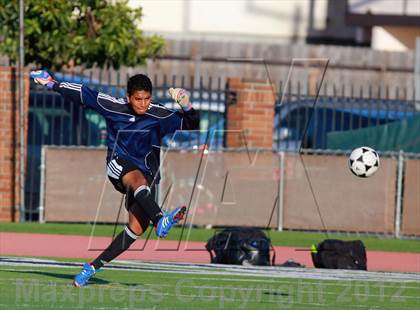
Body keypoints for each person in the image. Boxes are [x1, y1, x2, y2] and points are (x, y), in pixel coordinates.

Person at [30, 70, 200, 287]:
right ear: (128, 97)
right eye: (138, 99)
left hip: (148, 175)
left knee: (136, 228)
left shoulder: (159, 114)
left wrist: (185, 104)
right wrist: (52, 83)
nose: (143, 104)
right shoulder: (113, 105)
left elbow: (192, 123)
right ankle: (160, 219)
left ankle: (91, 267)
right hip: (118, 165)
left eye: (147, 98)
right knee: (138, 181)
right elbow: (83, 93)